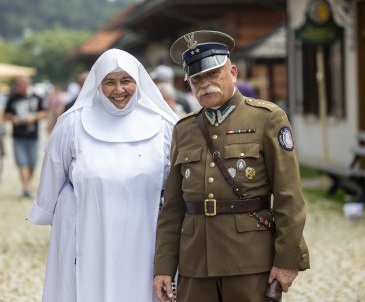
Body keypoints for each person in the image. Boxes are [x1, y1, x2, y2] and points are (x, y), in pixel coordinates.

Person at [153, 30, 309, 302]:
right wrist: (164, 267)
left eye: (213, 74)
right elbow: (173, 208)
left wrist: (287, 260)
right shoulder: (184, 129)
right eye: (197, 78)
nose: (205, 83)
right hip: (195, 264)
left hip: (249, 260)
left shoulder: (267, 118)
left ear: (233, 73)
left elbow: (289, 197)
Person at [27, 49, 179, 302]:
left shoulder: (165, 126)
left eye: (126, 81)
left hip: (146, 237)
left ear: (138, 82)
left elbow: (177, 185)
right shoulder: (72, 125)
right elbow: (52, 181)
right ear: (98, 83)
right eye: (110, 82)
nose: (118, 90)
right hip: (89, 235)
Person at [5, 76, 47, 198]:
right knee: (22, 162)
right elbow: (5, 114)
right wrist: (13, 118)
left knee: (32, 162)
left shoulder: (36, 98)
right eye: (19, 84)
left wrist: (33, 117)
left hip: (33, 136)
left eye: (23, 84)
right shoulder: (12, 98)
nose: (21, 87)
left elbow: (44, 112)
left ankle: (27, 184)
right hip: (18, 136)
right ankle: (26, 187)